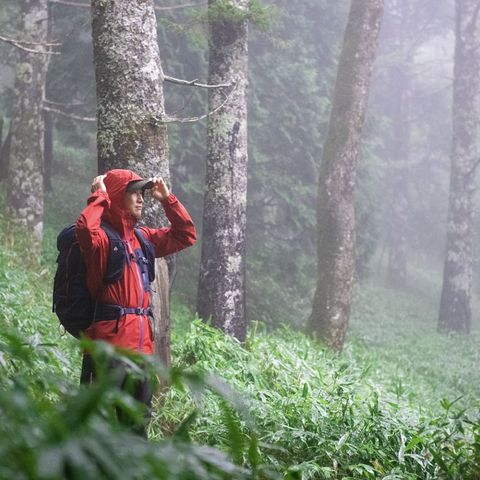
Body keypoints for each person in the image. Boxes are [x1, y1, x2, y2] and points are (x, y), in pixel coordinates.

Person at [76, 168, 196, 435]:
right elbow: (84, 229)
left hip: (141, 353)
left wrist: (167, 200)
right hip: (107, 351)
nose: (141, 199)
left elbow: (185, 235)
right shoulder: (102, 240)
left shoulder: (142, 238)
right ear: (117, 196)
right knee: (100, 432)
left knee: (137, 429)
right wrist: (100, 198)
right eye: (133, 193)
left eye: (142, 193)